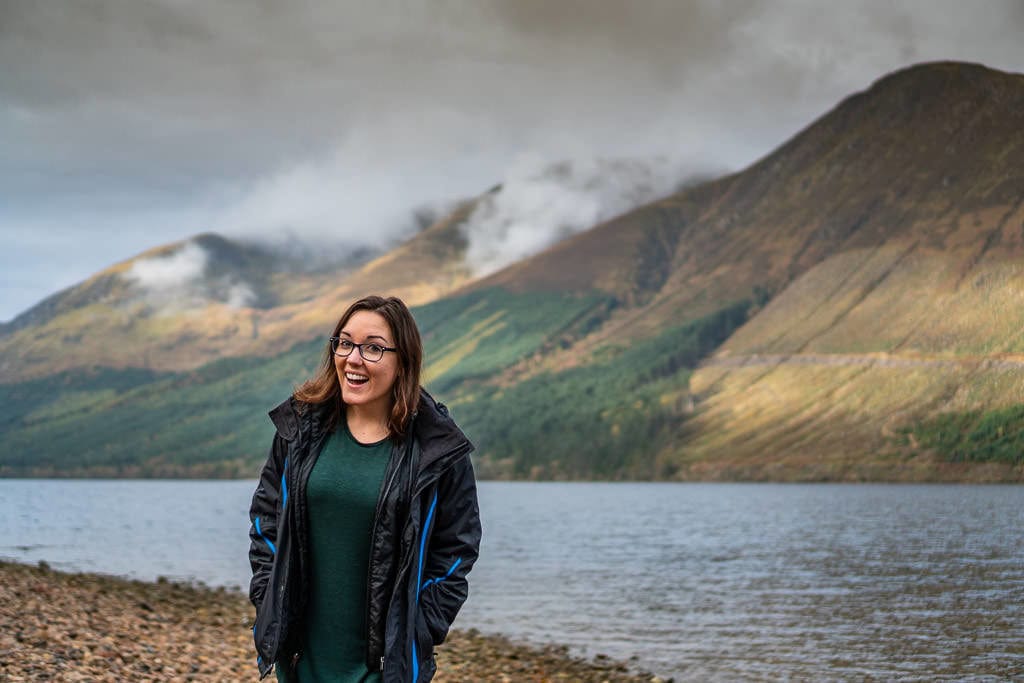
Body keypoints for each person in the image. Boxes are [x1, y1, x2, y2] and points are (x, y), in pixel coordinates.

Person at [248, 295, 481, 683]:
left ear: (403, 360)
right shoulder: (299, 430)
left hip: (384, 671)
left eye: (373, 348)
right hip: (300, 663)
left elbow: (457, 549)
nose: (353, 359)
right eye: (344, 342)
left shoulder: (437, 449)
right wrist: (268, 596)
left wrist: (420, 627)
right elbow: (265, 521)